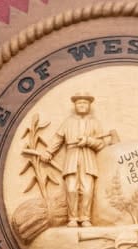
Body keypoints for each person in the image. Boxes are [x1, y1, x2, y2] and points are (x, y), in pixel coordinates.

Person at [41, 93, 114, 226]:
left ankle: (85, 218)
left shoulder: (95, 122)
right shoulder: (68, 122)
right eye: (79, 103)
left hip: (88, 157)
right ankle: (73, 218)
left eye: (85, 103)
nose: (82, 105)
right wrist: (48, 152)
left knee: (87, 189)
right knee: (71, 189)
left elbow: (101, 144)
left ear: (89, 106)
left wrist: (88, 141)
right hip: (72, 156)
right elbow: (58, 139)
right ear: (74, 105)